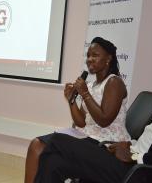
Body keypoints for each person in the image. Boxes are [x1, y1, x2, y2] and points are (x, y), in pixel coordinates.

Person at [25, 37, 130, 183]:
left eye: (95, 55)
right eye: (88, 55)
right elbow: (81, 122)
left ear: (108, 59)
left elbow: (104, 120)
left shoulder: (114, 82)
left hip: (107, 146)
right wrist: (71, 100)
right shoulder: (93, 85)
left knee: (56, 139)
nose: (89, 59)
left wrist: (85, 94)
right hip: (89, 138)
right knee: (49, 160)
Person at [34, 111, 152, 183]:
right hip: (131, 156)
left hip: (139, 171)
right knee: (53, 162)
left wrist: (135, 156)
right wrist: (129, 144)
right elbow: (149, 142)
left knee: (57, 139)